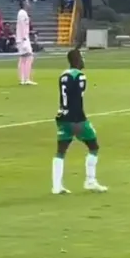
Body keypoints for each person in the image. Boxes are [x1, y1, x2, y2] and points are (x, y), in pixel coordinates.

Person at [52, 48, 108, 195]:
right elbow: (77, 99)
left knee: (61, 151)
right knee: (93, 146)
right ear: (76, 60)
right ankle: (90, 181)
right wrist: (79, 120)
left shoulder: (63, 75)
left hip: (62, 117)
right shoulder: (80, 76)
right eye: (81, 58)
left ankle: (57, 186)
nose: (83, 61)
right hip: (76, 118)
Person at [16, 0, 36, 85]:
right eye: (27, 2)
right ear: (24, 4)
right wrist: (24, 38)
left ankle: (23, 79)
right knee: (29, 57)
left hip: (22, 38)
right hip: (23, 38)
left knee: (24, 58)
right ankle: (26, 79)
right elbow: (22, 26)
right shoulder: (22, 13)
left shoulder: (23, 13)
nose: (29, 4)